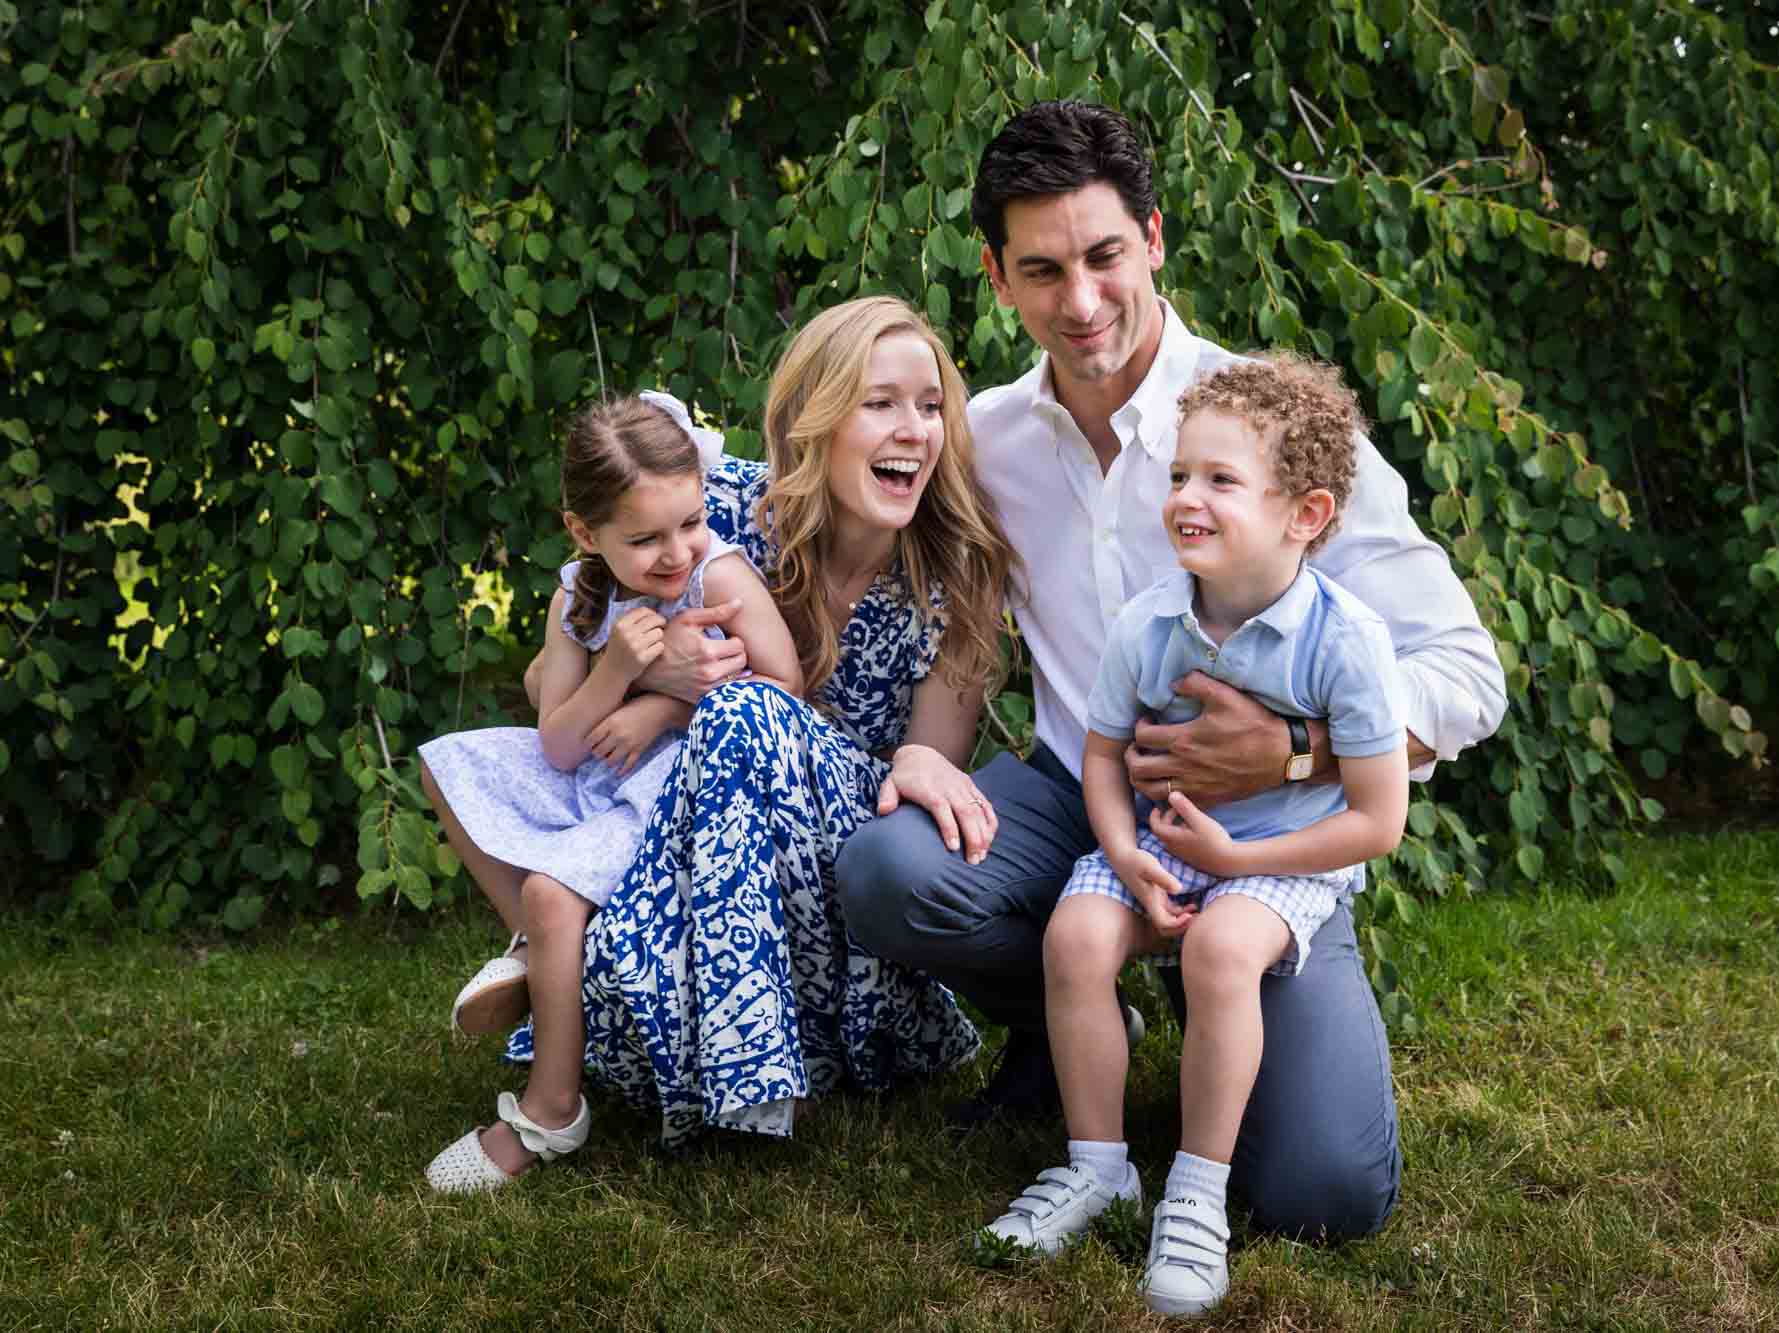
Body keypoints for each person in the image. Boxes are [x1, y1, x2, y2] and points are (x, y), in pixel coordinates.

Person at [836, 101, 1506, 1239]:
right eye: (1042, 270)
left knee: (1321, 1197)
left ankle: (1217, 1004)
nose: (1081, 301)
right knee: (889, 870)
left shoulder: (1267, 428)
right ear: (997, 278)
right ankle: (1073, 1017)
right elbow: (968, 631)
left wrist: (1296, 747)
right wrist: (922, 756)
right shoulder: (989, 439)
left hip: (1268, 820)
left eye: (1104, 256)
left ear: (1152, 238)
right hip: (1073, 785)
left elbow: (1464, 668)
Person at [452, 295, 1017, 1180]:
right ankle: (567, 968)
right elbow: (545, 680)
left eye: (931, 404)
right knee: (695, 729)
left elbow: (923, 771)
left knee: (746, 711)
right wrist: (654, 680)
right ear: (817, 419)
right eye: (880, 403)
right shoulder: (719, 510)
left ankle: (744, 1062)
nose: (913, 429)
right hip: (691, 834)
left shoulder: (955, 574)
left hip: (842, 851)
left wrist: (698, 701)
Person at [982, 356, 1410, 1314]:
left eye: (1220, 480)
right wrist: (1124, 850)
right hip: (1164, 839)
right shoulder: (1152, 623)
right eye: (1180, 475)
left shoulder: (1344, 640)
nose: (1187, 498)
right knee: (1077, 932)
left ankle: (1196, 1193)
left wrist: (1238, 862)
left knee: (1221, 948)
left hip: (1282, 859)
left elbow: (1378, 822)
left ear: (1305, 514)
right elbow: (1100, 758)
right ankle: (1098, 1168)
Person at [422, 392, 802, 1192]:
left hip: (674, 786)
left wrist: (662, 706)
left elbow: (784, 684)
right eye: (645, 538)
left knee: (555, 896)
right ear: (584, 533)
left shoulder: (715, 573)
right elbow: (558, 741)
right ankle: (528, 949)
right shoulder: (576, 596)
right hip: (592, 772)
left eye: (689, 522)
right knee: (447, 763)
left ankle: (551, 1109)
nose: (675, 551)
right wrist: (618, 671)